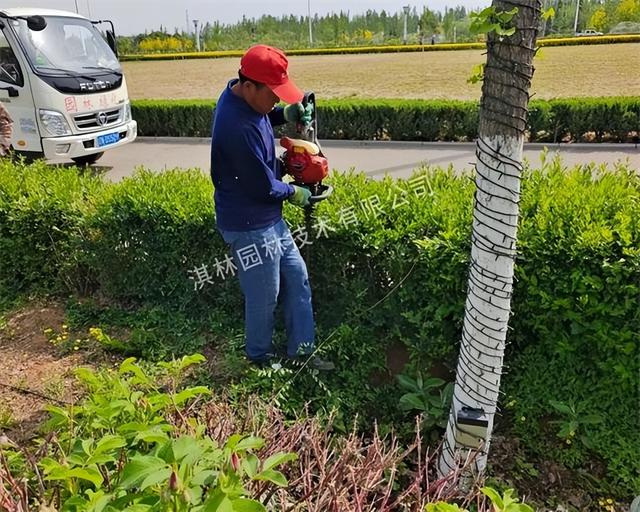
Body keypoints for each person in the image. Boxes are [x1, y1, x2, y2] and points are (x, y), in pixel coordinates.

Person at [210, 44, 334, 371]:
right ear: (249, 86)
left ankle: (302, 351)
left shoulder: (241, 95)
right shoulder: (236, 128)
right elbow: (263, 186)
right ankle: (259, 359)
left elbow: (263, 113)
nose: (277, 100)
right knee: (265, 295)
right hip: (249, 223)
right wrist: (297, 194)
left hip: (267, 218)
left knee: (297, 277)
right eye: (274, 95)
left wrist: (286, 115)